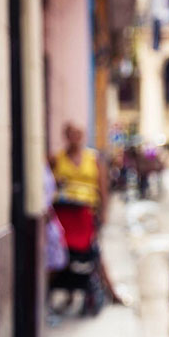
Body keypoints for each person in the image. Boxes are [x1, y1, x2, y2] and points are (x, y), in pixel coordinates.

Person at [51, 122, 126, 306]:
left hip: (86, 215)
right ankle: (69, 292)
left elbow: (103, 188)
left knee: (93, 253)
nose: (75, 138)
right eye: (71, 134)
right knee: (64, 255)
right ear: (66, 136)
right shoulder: (57, 159)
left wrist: (104, 212)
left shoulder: (93, 159)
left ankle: (111, 292)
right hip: (64, 215)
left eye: (78, 134)